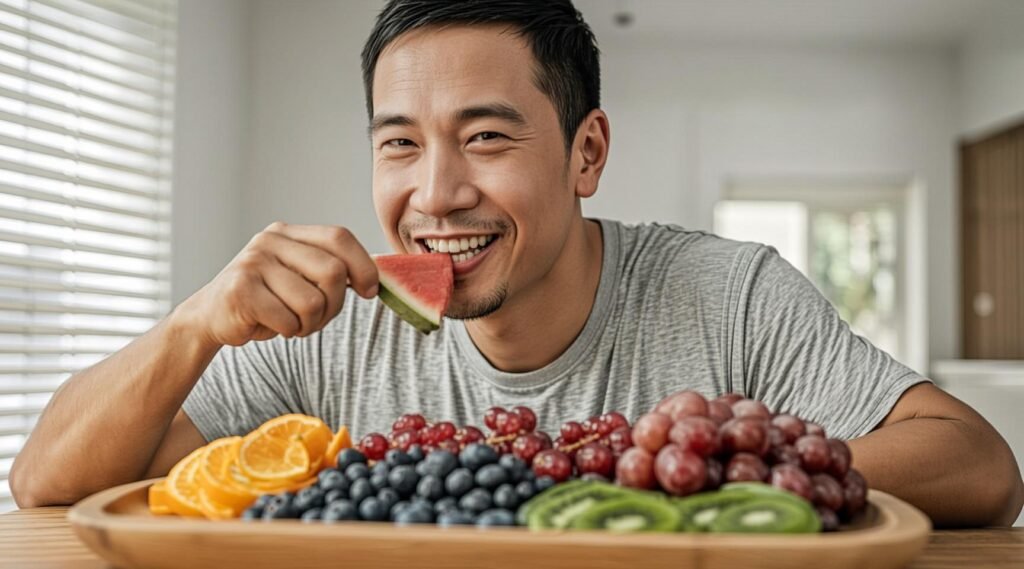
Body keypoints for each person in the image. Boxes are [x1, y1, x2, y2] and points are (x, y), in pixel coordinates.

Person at [11, 0, 1022, 527]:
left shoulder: (727, 293)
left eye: (486, 138)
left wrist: (661, 485)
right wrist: (194, 324)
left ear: (586, 153)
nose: (436, 193)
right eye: (399, 143)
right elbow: (46, 482)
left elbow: (978, 467)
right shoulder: (342, 315)